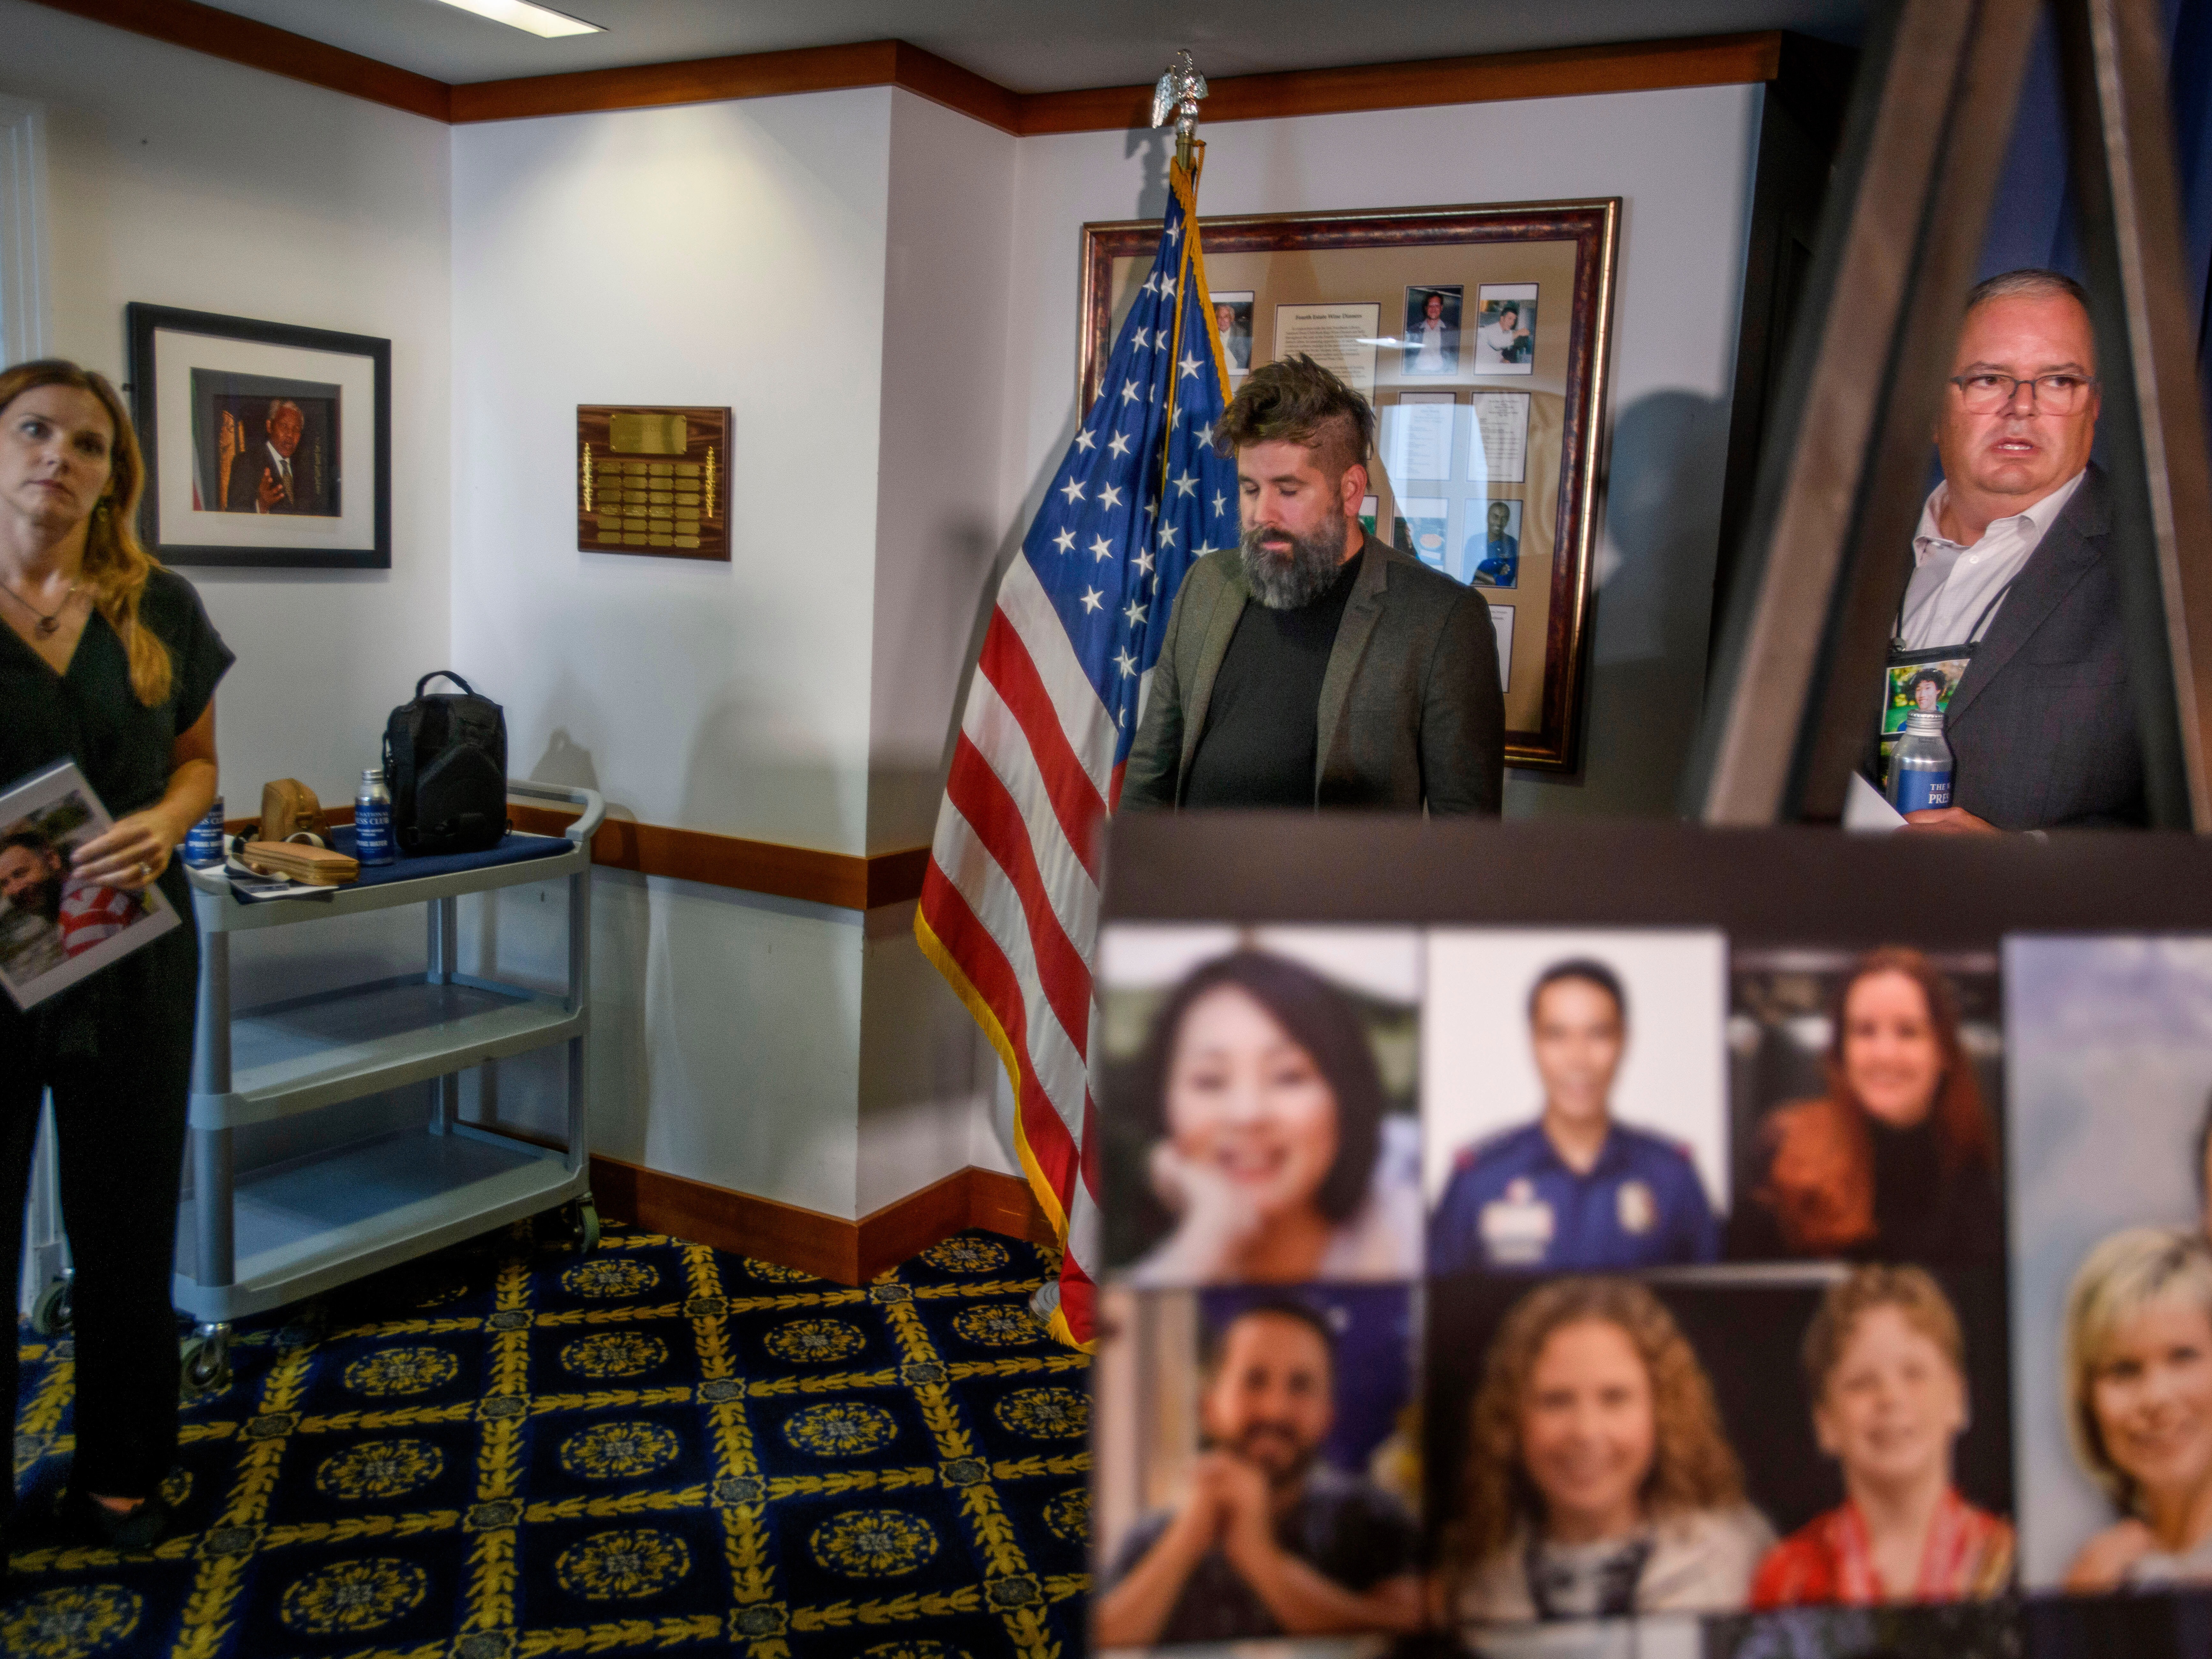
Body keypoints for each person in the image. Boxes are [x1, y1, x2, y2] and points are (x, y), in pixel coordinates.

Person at [0, 359, 232, 1552]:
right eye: (35, 430)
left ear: (113, 476)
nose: (59, 455)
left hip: (128, 944)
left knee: (128, 1217)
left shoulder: (163, 606)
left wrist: (172, 817)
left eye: (87, 444)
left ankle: (123, 1473)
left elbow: (199, 758)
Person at [1120, 354, 1504, 813]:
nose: (1262, 514)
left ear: (1351, 490)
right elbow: (1150, 778)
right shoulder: (1207, 584)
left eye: (1287, 490)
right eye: (1249, 488)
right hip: (1193, 885)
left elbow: (1464, 842)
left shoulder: (1443, 619)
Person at [1881, 269, 2152, 831]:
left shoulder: (2170, 571)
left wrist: (2021, 866)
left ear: (2093, 404)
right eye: (1987, 379)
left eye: (2057, 381)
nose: (2021, 407)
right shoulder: (1845, 555)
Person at [1443, 1277, 1774, 1623]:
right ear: (1510, 1419)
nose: (1585, 1431)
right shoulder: (1469, 1590)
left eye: (1614, 1398)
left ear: (1663, 1410)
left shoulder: (1743, 1559)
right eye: (1556, 1401)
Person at [1097, 1300, 1424, 1646]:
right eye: (1253, 1380)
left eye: (1300, 1385)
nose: (1275, 1409)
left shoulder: (1373, 1520)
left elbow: (1413, 1624)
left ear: (1327, 1415)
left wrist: (1261, 1559)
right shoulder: (1148, 1539)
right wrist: (1186, 1539)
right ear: (1208, 1408)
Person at [1119, 949, 1420, 1285]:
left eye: (1287, 1076)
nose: (1247, 1114)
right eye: (1210, 1081)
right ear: (1162, 1103)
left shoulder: (1419, 1236)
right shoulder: (1135, 1290)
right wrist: (1207, 1238)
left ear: (1345, 1094)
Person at [1430, 960, 1718, 1274]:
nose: (1577, 1058)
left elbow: (1711, 1309)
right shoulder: (1479, 1179)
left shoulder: (1672, 1177)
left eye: (1597, 1034)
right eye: (1556, 1035)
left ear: (1624, 1040)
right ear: (1533, 1044)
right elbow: (1441, 1310)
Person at [1751, 1267, 2013, 1607]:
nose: (1890, 1398)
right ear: (1825, 1424)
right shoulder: (1786, 1577)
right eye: (1861, 1383)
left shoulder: (2010, 1559)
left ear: (1958, 1401)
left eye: (1914, 1374)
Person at [1731, 948, 2003, 1265]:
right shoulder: (1784, 1153)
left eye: (1907, 1032)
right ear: (1840, 1054)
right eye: (1864, 1031)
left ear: (1943, 1052)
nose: (1885, 1054)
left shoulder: (1974, 1172)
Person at [2060, 1228, 2212, 1590]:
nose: (2155, 1398)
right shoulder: (2094, 1579)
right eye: (2123, 1370)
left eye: (2182, 1357)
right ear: (2086, 1398)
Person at [0, 822, 146, 969]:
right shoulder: (90, 893)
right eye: (5, 883)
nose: (16, 889)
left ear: (52, 860)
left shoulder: (81, 923)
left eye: (21, 873)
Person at [221, 396, 322, 515]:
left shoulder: (304, 467)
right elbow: (235, 516)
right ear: (270, 426)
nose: (290, 434)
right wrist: (261, 506)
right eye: (284, 426)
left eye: (296, 429)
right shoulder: (247, 462)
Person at [1404, 289, 1458, 375]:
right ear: (1426, 308)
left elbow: (1456, 357)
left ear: (1441, 308)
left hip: (1441, 375)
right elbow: (1406, 356)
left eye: (1437, 305)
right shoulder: (1413, 330)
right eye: (1431, 306)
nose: (1434, 309)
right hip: (1417, 374)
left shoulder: (1452, 331)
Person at [1471, 499, 1520, 588]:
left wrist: (1476, 573)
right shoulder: (1474, 541)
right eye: (1495, 517)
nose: (1499, 523)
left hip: (1499, 598)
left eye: (1504, 519)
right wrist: (1495, 577)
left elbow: (1504, 583)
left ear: (1508, 521)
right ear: (1487, 517)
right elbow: (1465, 576)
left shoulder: (1513, 545)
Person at [1477, 303, 1528, 369]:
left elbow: (1496, 352)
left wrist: (1502, 360)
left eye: (1514, 320)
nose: (1512, 323)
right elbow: (1497, 344)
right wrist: (1518, 333)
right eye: (1510, 319)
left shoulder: (1504, 332)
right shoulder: (1490, 329)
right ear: (1502, 319)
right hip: (1481, 367)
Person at [1215, 300, 1252, 372]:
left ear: (1231, 319)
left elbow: (1243, 360)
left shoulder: (1240, 333)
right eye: (1219, 317)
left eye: (1226, 317)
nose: (1222, 321)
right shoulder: (1211, 334)